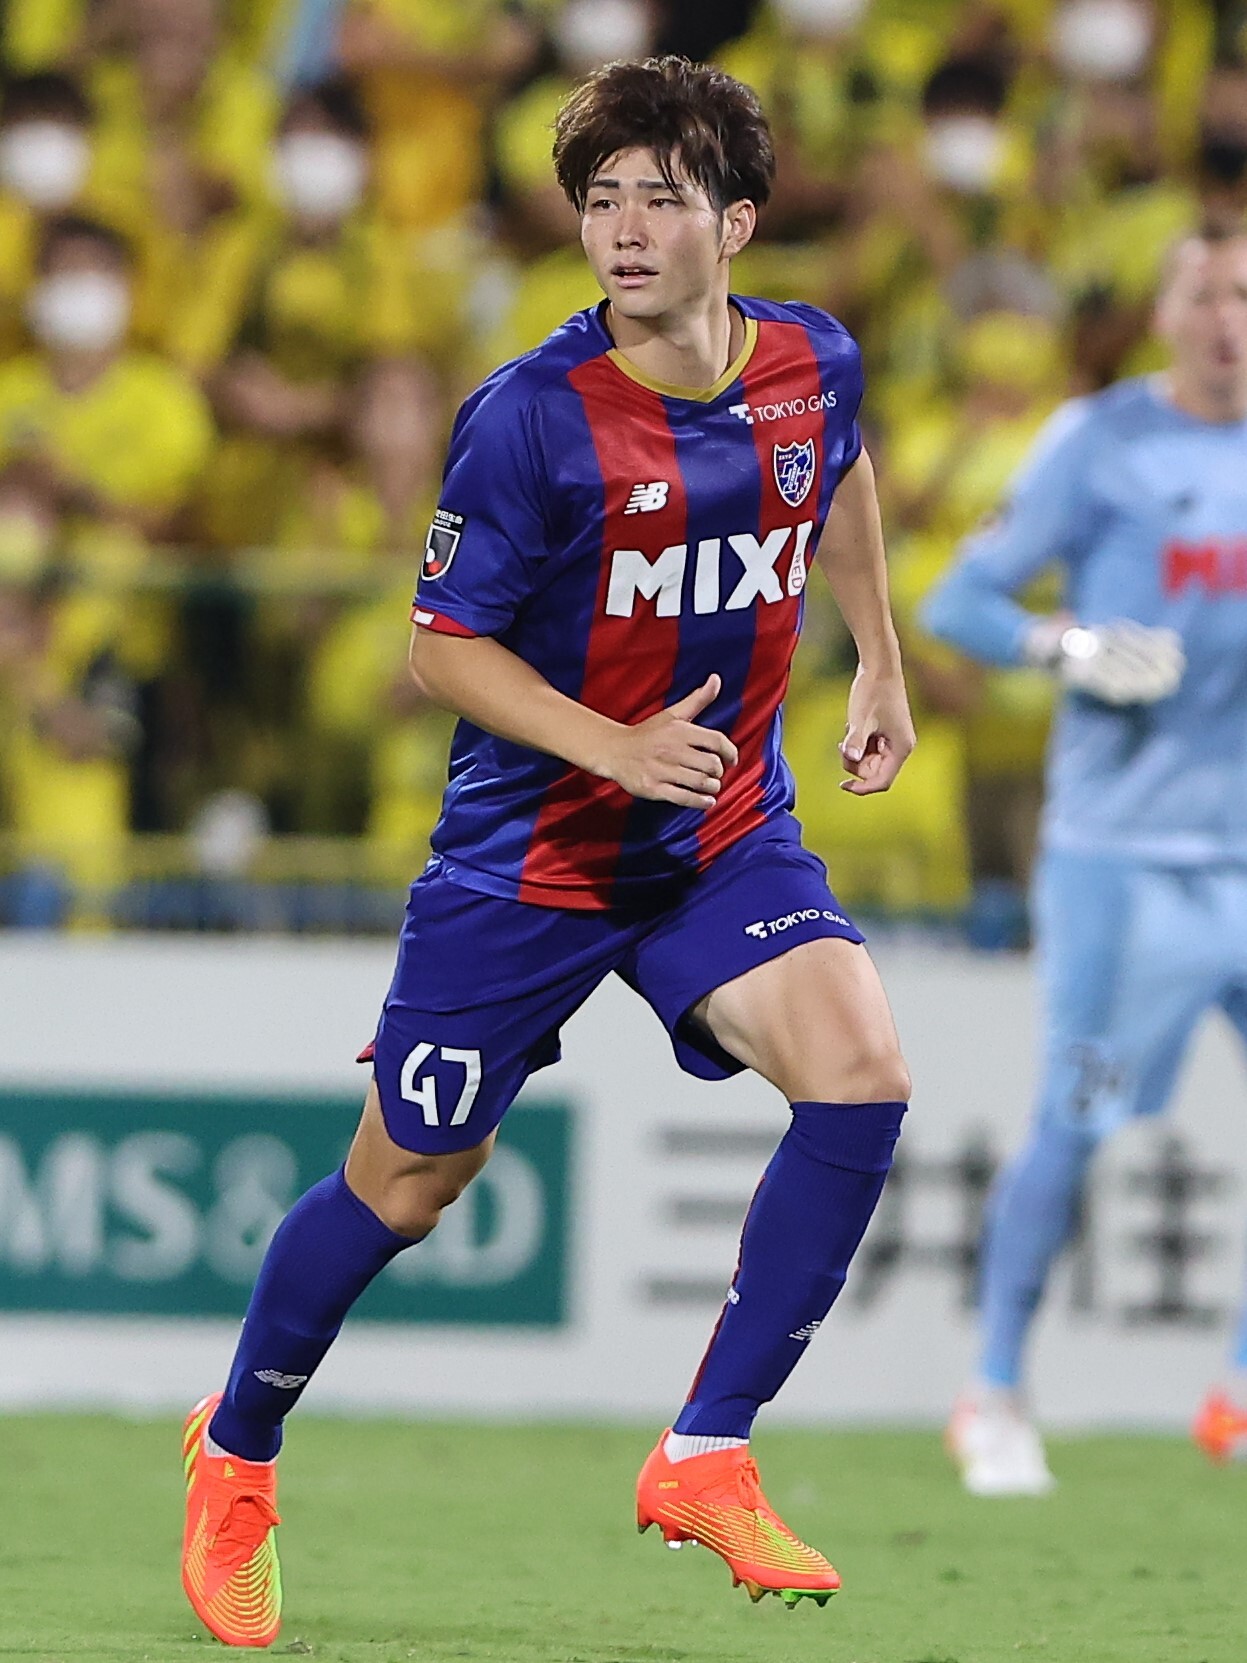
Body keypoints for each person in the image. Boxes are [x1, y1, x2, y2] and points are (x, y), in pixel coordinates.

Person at [180, 56, 915, 1648]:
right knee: (408, 1179)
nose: (624, 228)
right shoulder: (529, 416)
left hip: (719, 830)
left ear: (735, 221)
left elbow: (840, 463)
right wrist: (612, 744)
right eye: (599, 200)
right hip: (530, 859)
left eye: (660, 197)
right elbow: (442, 647)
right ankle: (234, 1449)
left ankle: (704, 1451)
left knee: (858, 1067)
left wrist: (876, 658)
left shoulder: (811, 359)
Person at [923, 227, 1247, 1496]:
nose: (1226, 317)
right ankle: (992, 1388)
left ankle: (1236, 1394)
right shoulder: (1097, 441)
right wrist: (1065, 646)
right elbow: (956, 601)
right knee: (1072, 1117)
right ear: (1163, 311)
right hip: (1122, 858)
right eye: (1204, 293)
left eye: (1244, 295)